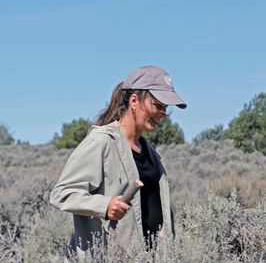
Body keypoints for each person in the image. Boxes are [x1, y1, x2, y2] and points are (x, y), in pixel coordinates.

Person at [50, 65, 187, 252]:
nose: (163, 114)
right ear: (134, 101)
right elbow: (62, 194)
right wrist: (104, 205)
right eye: (158, 105)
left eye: (166, 107)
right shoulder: (102, 141)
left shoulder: (150, 152)